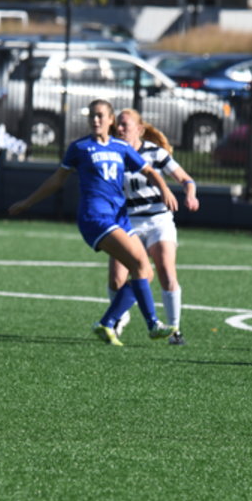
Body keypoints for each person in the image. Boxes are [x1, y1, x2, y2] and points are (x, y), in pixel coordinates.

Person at [8, 99, 178, 346]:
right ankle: (152, 324)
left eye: (100, 116)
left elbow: (150, 171)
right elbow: (57, 180)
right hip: (95, 217)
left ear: (110, 120)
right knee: (140, 264)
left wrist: (165, 189)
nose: (95, 120)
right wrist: (28, 202)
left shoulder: (120, 147)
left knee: (146, 272)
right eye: (92, 116)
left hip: (119, 217)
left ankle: (107, 322)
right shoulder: (80, 148)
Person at [108, 108, 200, 345]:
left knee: (166, 271)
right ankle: (120, 317)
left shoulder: (155, 153)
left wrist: (190, 195)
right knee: (117, 279)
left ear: (139, 129)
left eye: (125, 125)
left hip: (158, 221)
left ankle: (174, 329)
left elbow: (185, 179)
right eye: (117, 125)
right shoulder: (111, 153)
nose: (119, 129)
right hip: (127, 222)